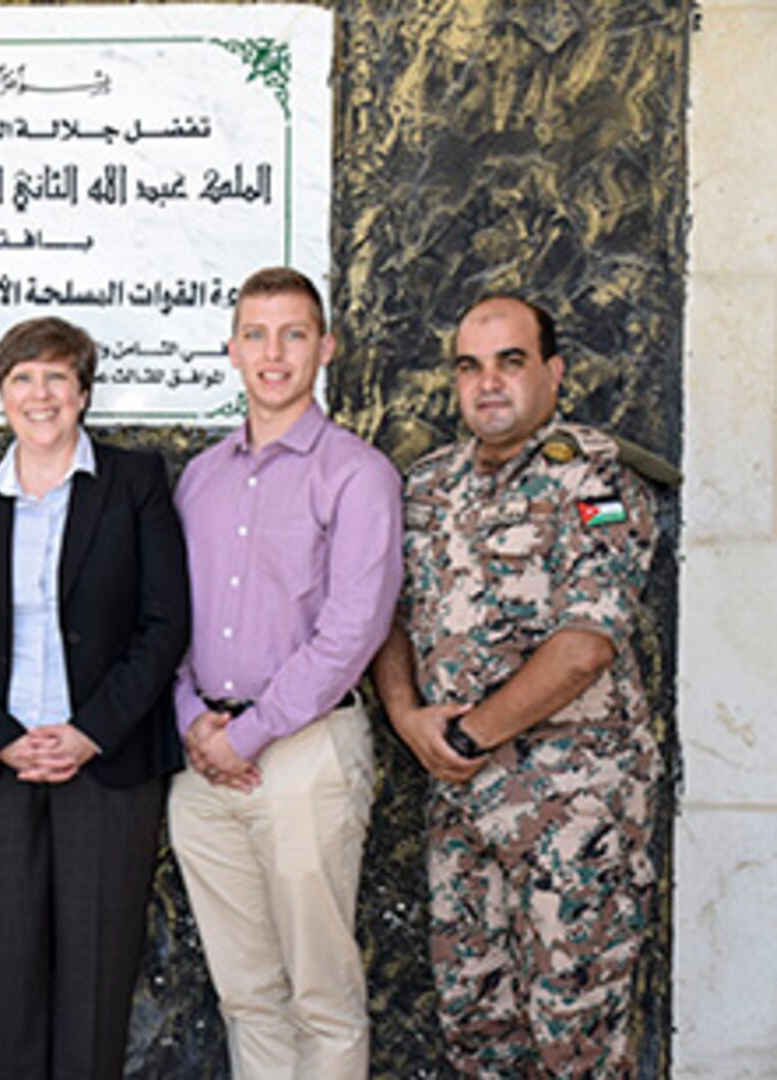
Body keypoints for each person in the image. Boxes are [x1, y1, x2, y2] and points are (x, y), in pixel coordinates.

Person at [371, 294, 663, 1076]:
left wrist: (466, 734)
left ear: (553, 372)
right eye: (470, 366)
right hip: (463, 808)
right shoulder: (428, 487)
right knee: (478, 1032)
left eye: (511, 361)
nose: (488, 383)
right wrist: (405, 715)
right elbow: (386, 615)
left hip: (575, 814)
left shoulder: (597, 479)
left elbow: (585, 647)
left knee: (577, 1038)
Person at [0, 316, 190, 1079]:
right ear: (2, 394)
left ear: (83, 392)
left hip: (104, 766)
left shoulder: (135, 484)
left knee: (96, 987)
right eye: (22, 379)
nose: (40, 396)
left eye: (56, 378)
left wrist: (90, 731)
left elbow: (164, 623)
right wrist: (0, 734)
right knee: (3, 987)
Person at [167, 267, 403, 1078]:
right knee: (246, 994)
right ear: (232, 349)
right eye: (257, 334)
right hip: (205, 762)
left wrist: (252, 733)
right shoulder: (200, 477)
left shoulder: (358, 473)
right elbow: (169, 619)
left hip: (304, 754)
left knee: (321, 997)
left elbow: (353, 630)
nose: (274, 353)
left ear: (325, 348)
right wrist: (192, 721)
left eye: (294, 334)